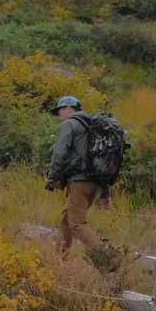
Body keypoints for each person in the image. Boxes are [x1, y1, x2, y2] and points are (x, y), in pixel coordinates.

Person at [46, 95, 111, 258]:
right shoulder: (91, 125)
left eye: (60, 110)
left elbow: (59, 153)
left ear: (69, 108)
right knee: (66, 220)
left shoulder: (70, 124)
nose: (59, 115)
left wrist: (52, 178)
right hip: (95, 181)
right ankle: (60, 259)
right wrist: (105, 191)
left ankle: (108, 258)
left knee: (76, 223)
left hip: (79, 181)